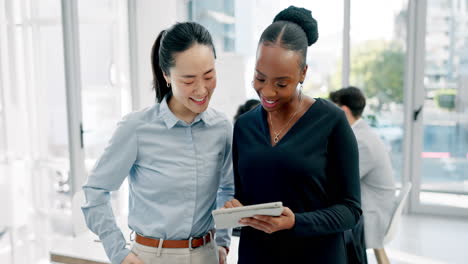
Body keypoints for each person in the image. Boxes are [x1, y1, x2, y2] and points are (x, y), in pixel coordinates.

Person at [81, 22, 234, 264]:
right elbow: (95, 192)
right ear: (166, 75)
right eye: (188, 80)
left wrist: (223, 243)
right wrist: (119, 253)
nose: (201, 89)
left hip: (207, 253)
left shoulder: (222, 127)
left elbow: (227, 188)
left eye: (209, 75)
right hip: (152, 257)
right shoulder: (137, 128)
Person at [224, 6, 362, 263]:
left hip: (316, 256)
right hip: (257, 256)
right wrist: (236, 210)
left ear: (303, 73)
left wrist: (296, 222)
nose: (267, 92)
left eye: (281, 83)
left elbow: (351, 210)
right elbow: (244, 197)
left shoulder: (331, 121)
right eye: (259, 77)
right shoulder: (244, 126)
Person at [329, 86, 397, 264]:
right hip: (375, 206)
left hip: (373, 214)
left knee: (327, 224)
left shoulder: (360, 141)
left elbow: (342, 181)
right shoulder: (361, 133)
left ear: (343, 110)